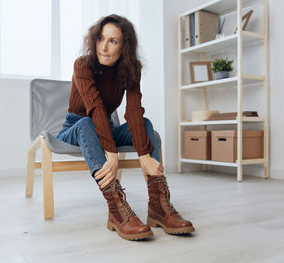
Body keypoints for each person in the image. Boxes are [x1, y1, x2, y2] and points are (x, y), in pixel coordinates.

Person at [57, 14, 194, 241]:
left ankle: (159, 205)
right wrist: (111, 155)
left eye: (113, 41)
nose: (103, 47)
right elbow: (96, 108)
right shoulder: (82, 65)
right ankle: (117, 210)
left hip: (106, 127)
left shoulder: (131, 68)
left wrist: (144, 155)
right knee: (86, 123)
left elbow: (133, 111)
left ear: (124, 46)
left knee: (145, 123)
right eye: (101, 39)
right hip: (77, 126)